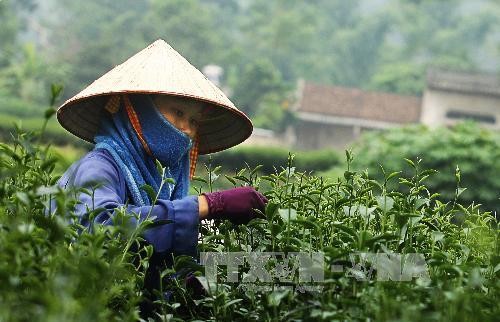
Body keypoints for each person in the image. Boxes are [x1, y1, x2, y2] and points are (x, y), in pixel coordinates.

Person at [52, 39, 267, 310]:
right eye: (177, 112)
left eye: (193, 121)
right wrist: (209, 204)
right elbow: (102, 229)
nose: (187, 129)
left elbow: (158, 253)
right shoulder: (99, 168)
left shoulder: (154, 181)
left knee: (302, 274)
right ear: (135, 109)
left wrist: (300, 271)